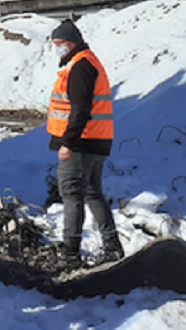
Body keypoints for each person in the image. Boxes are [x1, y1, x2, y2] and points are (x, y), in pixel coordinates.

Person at [47, 19, 124, 270]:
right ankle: (112, 247)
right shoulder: (89, 62)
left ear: (71, 43)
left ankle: (70, 253)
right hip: (97, 141)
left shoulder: (80, 67)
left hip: (81, 143)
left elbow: (80, 110)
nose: (57, 48)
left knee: (72, 195)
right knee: (92, 193)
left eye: (60, 43)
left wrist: (67, 143)